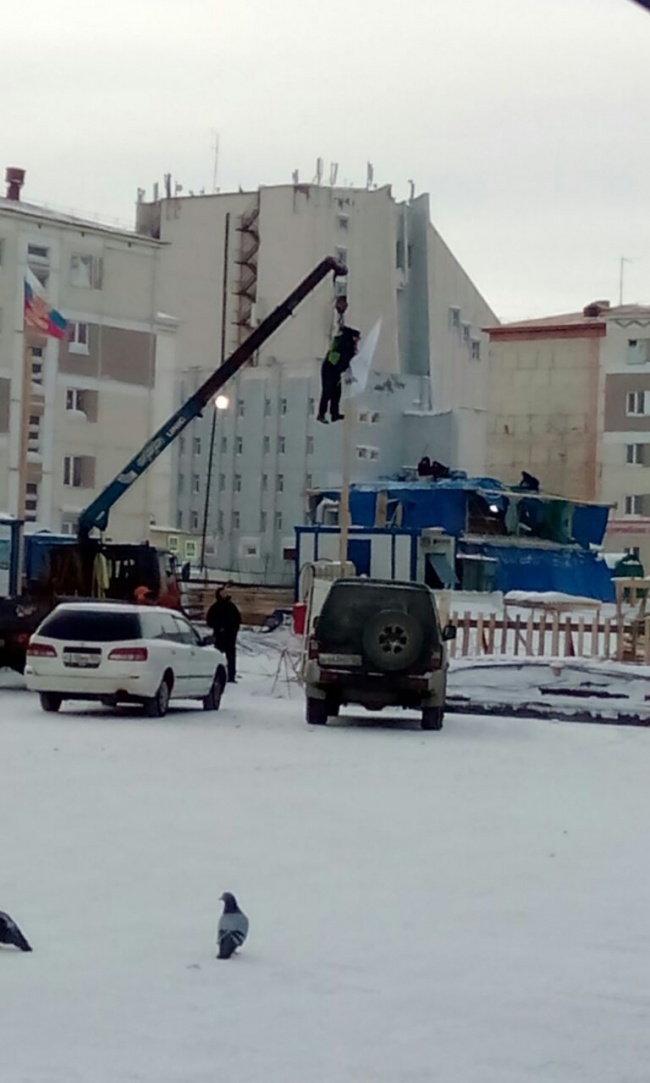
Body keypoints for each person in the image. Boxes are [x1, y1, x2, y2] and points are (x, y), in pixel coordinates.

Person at [317, 326, 360, 424]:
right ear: (353, 337)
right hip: (330, 370)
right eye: (357, 339)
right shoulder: (346, 345)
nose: (357, 341)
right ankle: (321, 414)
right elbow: (344, 360)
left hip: (334, 369)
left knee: (336, 393)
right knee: (327, 392)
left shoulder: (344, 342)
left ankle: (334, 414)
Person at [206, 583, 241, 683]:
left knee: (231, 658)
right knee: (217, 657)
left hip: (230, 637)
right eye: (223, 593)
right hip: (220, 637)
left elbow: (237, 620)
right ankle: (216, 675)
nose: (225, 594)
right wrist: (218, 628)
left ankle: (231, 676)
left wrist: (234, 630)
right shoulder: (215, 607)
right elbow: (209, 620)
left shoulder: (232, 607)